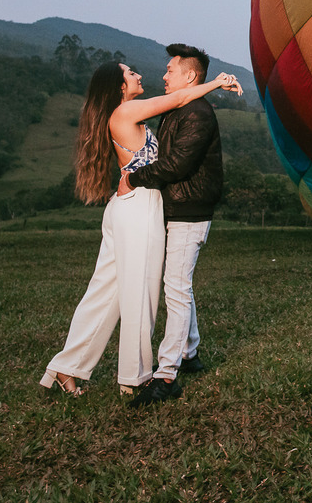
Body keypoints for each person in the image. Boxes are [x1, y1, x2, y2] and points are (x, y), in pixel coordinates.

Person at [40, 60, 242, 397]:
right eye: (131, 73)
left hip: (127, 208)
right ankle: (133, 379)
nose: (139, 75)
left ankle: (65, 368)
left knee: (104, 294)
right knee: (141, 296)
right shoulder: (126, 111)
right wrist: (216, 82)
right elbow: (178, 100)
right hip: (139, 209)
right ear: (120, 87)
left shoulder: (126, 113)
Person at [121, 43, 229, 408]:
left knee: (176, 288)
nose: (163, 76)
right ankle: (189, 352)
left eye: (170, 70)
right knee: (179, 283)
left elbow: (178, 164)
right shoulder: (179, 109)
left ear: (190, 76)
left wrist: (134, 179)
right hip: (180, 206)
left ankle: (166, 375)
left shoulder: (197, 112)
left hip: (190, 209)